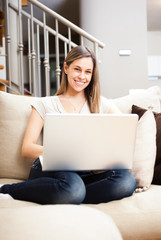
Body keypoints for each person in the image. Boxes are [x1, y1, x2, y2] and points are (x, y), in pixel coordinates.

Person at [0, 46, 136, 204]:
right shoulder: (45, 104)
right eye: (77, 69)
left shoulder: (100, 104)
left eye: (88, 72)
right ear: (66, 68)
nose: (82, 76)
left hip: (82, 174)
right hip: (50, 169)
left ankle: (71, 194)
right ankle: (7, 190)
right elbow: (27, 148)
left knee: (126, 181)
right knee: (73, 186)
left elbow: (125, 132)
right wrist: (66, 153)